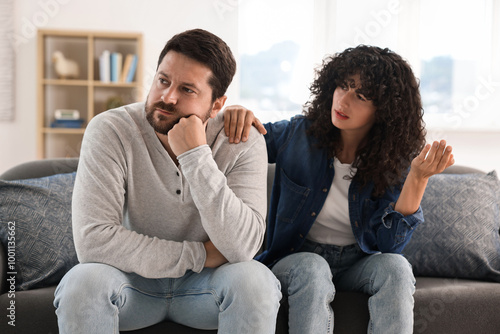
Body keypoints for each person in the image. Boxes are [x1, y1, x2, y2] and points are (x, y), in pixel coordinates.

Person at [53, 29, 281, 334]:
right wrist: (198, 254)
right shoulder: (110, 130)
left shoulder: (241, 139)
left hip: (206, 290)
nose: (167, 97)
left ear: (217, 105)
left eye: (187, 89)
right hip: (131, 284)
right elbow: (93, 240)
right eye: (163, 81)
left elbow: (242, 248)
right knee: (82, 282)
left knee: (255, 281)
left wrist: (196, 155)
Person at [223, 45, 455, 333]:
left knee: (396, 268)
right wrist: (232, 114)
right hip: (296, 259)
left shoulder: (394, 159)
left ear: (383, 110)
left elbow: (389, 246)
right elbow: (241, 140)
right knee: (313, 267)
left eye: (360, 96)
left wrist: (418, 178)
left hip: (357, 262)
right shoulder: (296, 134)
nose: (343, 100)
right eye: (343, 86)